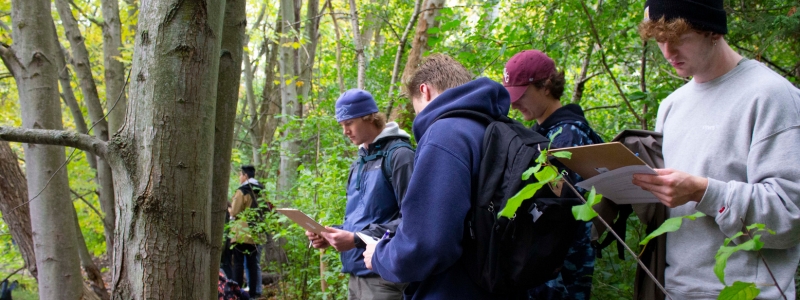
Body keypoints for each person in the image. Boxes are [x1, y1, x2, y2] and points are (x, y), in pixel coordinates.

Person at [631, 0, 800, 299]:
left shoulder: (772, 97)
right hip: (671, 290)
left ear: (713, 32)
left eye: (679, 39)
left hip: (747, 293)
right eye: (660, 42)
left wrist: (703, 191)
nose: (668, 53)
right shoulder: (672, 106)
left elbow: (789, 216)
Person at [363, 54, 525, 299]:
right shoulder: (499, 129)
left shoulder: (445, 134)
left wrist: (380, 255)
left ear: (424, 90)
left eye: (416, 108)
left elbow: (427, 244)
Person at [503, 49, 604, 300]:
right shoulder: (542, 133)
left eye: (521, 94)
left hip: (560, 266)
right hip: (540, 260)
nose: (514, 104)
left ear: (546, 86)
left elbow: (562, 204)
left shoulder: (567, 135)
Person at [305, 89, 414, 299]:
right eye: (341, 125)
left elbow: (413, 221)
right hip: (356, 274)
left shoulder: (400, 156)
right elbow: (364, 219)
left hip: (384, 276)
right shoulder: (360, 162)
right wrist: (331, 235)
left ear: (369, 118)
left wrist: (356, 239)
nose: (345, 131)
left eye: (349, 123)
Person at [228, 165, 265, 298]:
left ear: (245, 176)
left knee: (238, 263)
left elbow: (235, 211)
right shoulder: (261, 190)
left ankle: (237, 292)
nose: (239, 177)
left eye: (240, 175)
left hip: (241, 232)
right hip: (256, 232)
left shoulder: (242, 190)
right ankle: (254, 293)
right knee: (252, 264)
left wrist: (230, 211)